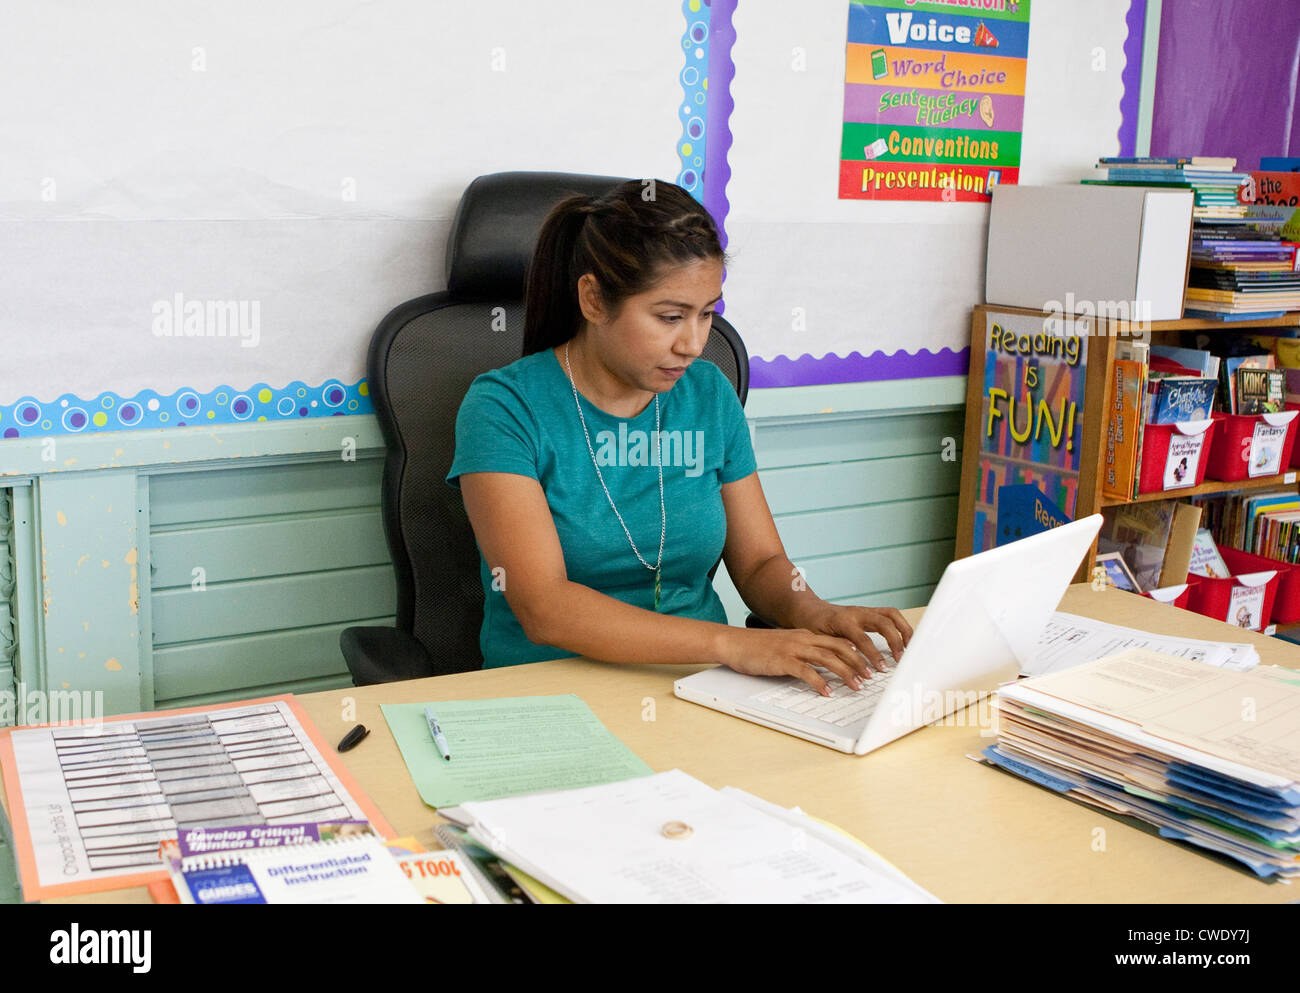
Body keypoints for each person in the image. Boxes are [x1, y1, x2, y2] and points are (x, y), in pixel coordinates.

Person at [447, 179, 911, 696]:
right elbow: (546, 609)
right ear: (594, 299)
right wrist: (735, 645)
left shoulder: (708, 393)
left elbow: (759, 564)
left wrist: (815, 612)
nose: (693, 343)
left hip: (701, 686)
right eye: (670, 317)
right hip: (548, 693)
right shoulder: (503, 407)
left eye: (707, 313)